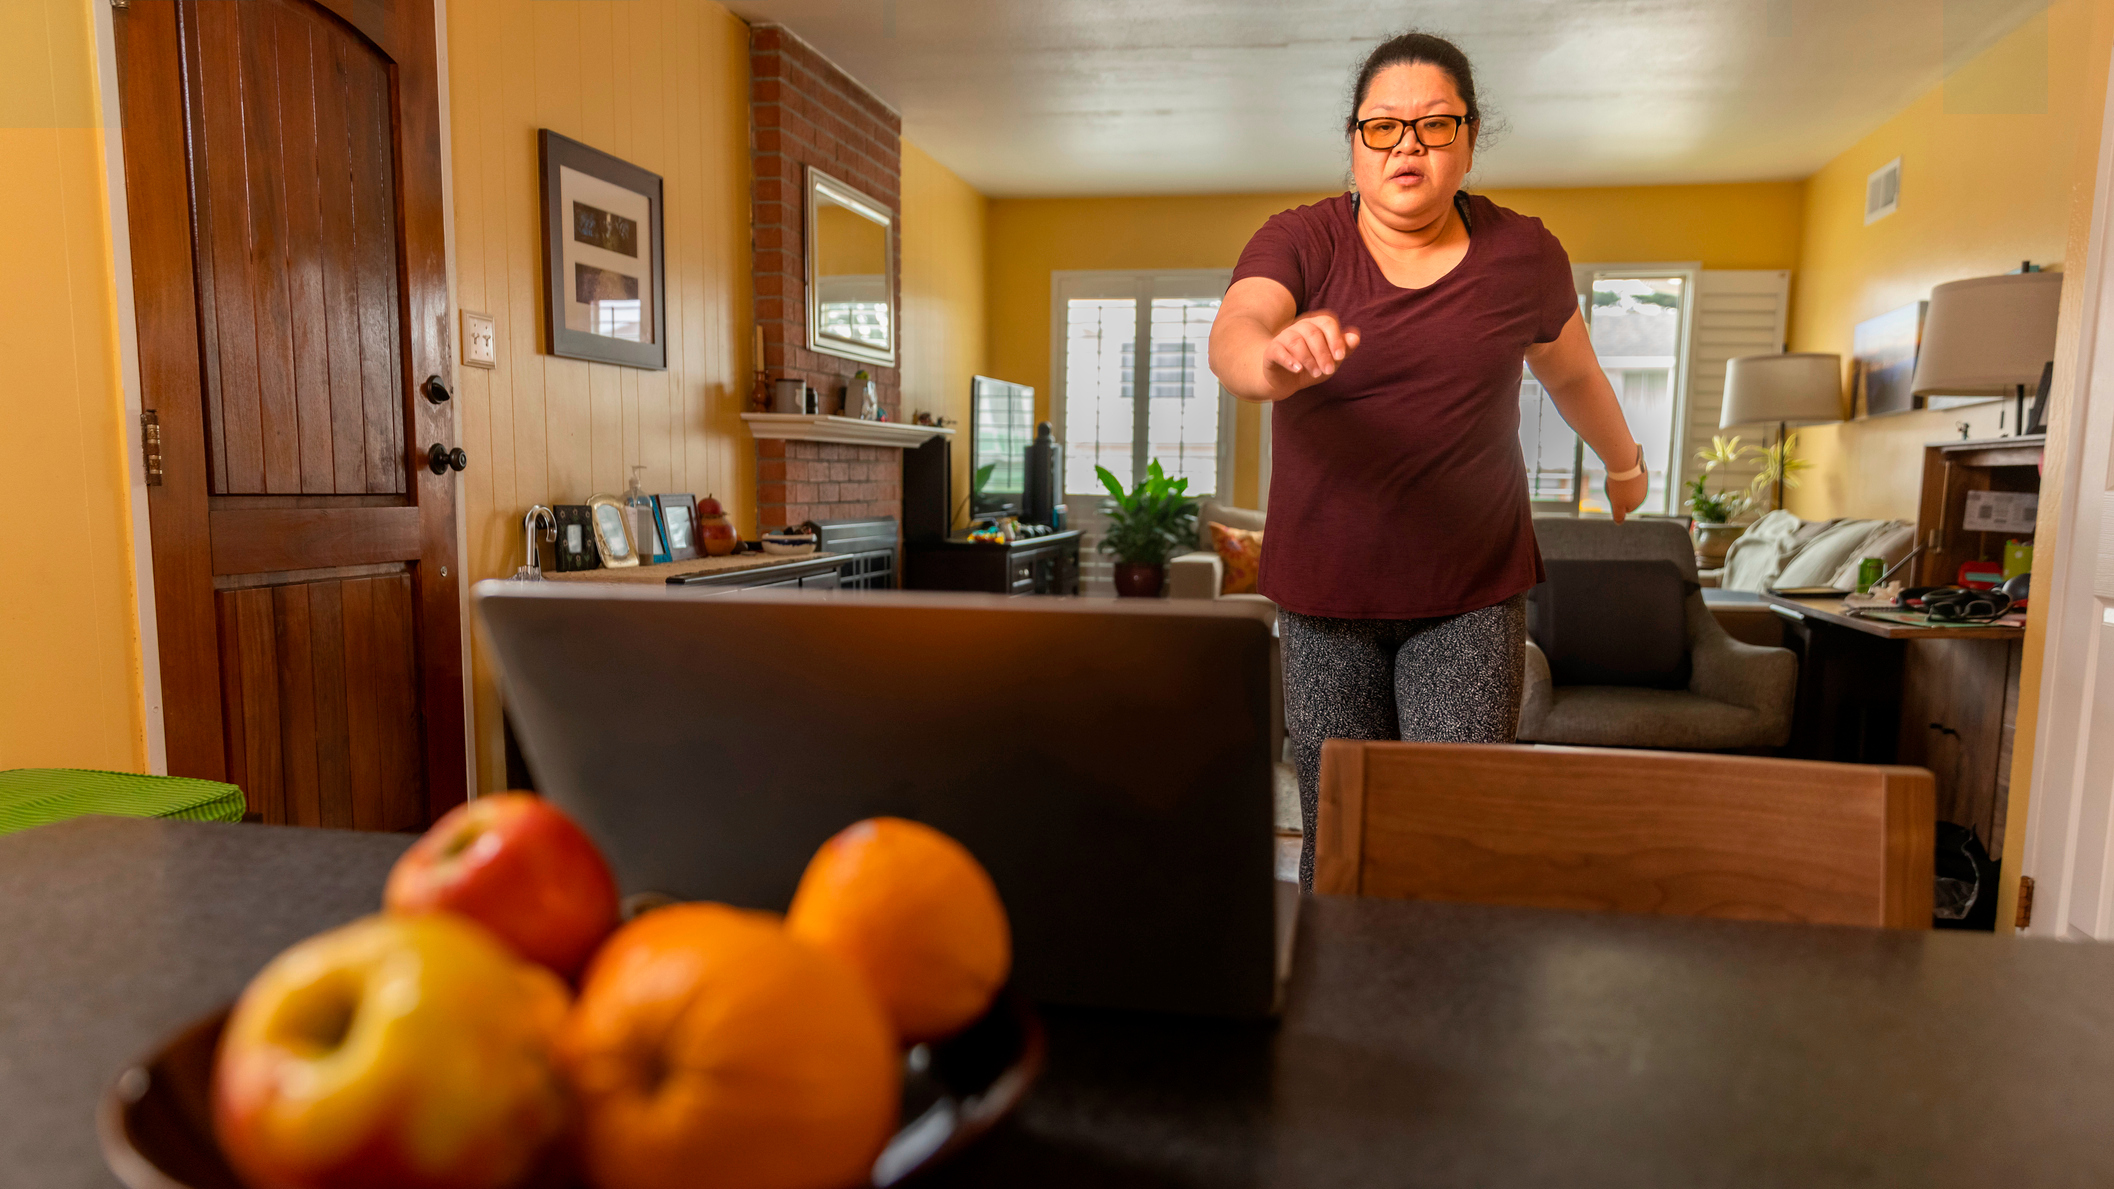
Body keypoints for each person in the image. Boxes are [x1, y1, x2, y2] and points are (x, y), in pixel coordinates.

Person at [1207, 31, 1649, 888]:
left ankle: (1447, 1012)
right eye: (1383, 126)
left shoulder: (1523, 255)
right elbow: (1234, 335)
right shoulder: (1301, 240)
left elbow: (1574, 374)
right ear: (1354, 144)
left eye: (1434, 124)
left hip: (1469, 593)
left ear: (1470, 138)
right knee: (1342, 833)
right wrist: (1271, 358)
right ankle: (1339, 1010)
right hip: (1326, 595)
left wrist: (1625, 466)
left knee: (1450, 830)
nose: (1407, 143)